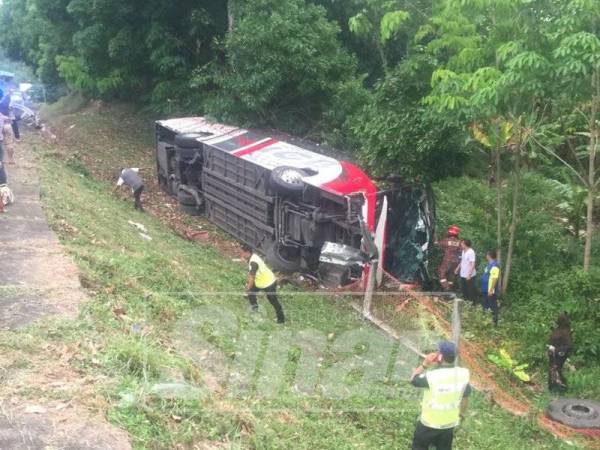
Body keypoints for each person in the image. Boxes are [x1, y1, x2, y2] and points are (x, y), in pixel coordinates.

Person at [410, 341, 471, 450]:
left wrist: (425, 364)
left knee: (419, 447)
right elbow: (465, 398)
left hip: (429, 423)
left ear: (440, 357)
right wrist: (461, 414)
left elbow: (413, 379)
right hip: (449, 424)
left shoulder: (432, 377)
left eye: (438, 352)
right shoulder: (463, 374)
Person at [246, 252, 285, 324]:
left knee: (273, 301)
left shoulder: (253, 262)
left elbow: (252, 277)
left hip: (269, 283)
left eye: (243, 253)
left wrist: (248, 287)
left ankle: (281, 320)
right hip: (261, 282)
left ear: (247, 253)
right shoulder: (254, 256)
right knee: (251, 293)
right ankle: (255, 311)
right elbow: (251, 274)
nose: (242, 255)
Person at [548, 313, 572, 392]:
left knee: (555, 368)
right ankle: (552, 387)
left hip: (560, 352)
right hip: (553, 351)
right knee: (553, 368)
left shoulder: (565, 330)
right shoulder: (558, 329)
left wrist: (561, 352)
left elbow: (568, 345)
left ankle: (560, 386)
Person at [436, 225, 462, 291]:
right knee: (451, 275)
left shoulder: (447, 241)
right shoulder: (459, 242)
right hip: (456, 262)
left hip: (447, 261)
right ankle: (450, 288)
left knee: (441, 273)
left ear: (449, 233)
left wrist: (435, 238)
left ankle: (446, 287)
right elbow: (461, 252)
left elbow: (437, 244)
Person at [481, 250, 500, 325]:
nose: (486, 256)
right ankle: (486, 321)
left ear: (489, 256)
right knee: (485, 304)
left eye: (487, 255)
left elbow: (495, 278)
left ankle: (494, 322)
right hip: (485, 288)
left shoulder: (495, 266)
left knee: (492, 305)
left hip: (490, 290)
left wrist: (491, 290)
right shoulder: (489, 264)